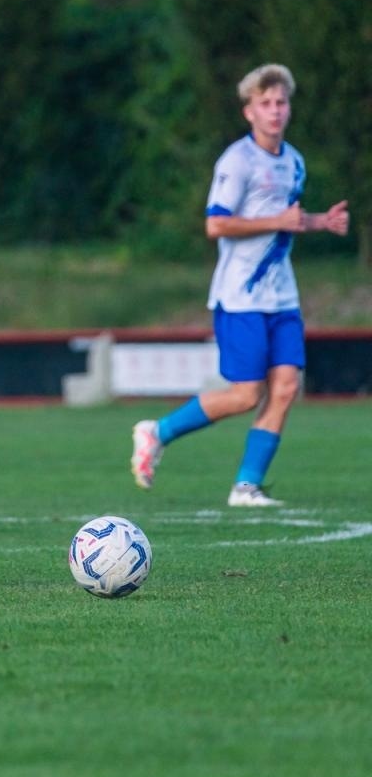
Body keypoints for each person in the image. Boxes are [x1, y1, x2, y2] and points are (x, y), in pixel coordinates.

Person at [131, 63, 349, 505]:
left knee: (285, 388)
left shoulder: (294, 162)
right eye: (265, 103)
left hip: (282, 296)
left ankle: (246, 487)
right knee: (246, 395)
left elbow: (285, 220)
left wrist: (319, 222)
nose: (275, 110)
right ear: (249, 111)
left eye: (281, 102)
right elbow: (216, 225)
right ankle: (159, 431)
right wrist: (279, 221)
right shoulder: (237, 161)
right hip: (241, 296)